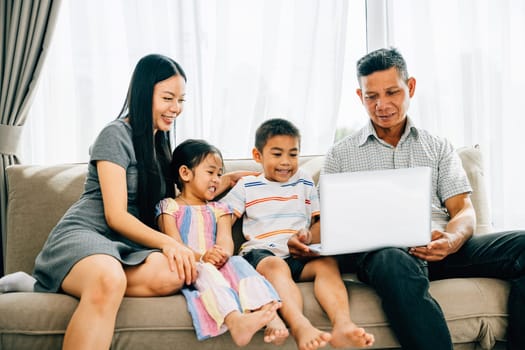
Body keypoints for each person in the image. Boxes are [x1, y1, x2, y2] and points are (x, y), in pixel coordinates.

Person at [0, 54, 253, 349]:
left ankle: (42, 284)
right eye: (168, 98)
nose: (176, 109)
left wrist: (227, 181)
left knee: (178, 273)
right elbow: (116, 216)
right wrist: (169, 243)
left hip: (127, 246)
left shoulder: (161, 144)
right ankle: (59, 277)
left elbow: (177, 194)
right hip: (88, 233)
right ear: (145, 93)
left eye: (181, 100)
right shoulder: (115, 134)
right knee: (109, 280)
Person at [288, 47, 525, 350]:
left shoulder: (437, 146)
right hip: (384, 255)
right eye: (371, 96)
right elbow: (327, 222)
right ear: (360, 97)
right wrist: (306, 239)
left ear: (410, 87)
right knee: (390, 259)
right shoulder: (341, 154)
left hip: (439, 248)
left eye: (392, 92)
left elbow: (463, 210)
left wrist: (450, 240)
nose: (382, 105)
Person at [220, 118, 375, 350]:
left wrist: (308, 237)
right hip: (262, 255)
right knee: (276, 266)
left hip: (297, 254)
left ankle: (342, 325)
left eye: (293, 154)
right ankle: (300, 325)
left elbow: (317, 222)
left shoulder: (304, 181)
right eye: (277, 154)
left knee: (327, 264)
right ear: (257, 155)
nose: (286, 162)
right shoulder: (247, 185)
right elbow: (222, 217)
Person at [155, 138, 285, 346]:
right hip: (191, 263)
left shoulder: (219, 209)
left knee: (239, 264)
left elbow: (225, 240)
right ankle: (236, 321)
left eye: (220, 174)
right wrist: (202, 257)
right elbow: (173, 242)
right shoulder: (169, 207)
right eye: (210, 172)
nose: (217, 179)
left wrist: (222, 254)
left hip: (218, 261)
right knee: (206, 271)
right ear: (185, 173)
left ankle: (271, 316)